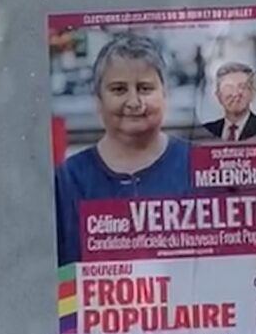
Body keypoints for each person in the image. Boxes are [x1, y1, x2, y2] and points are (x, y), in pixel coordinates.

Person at [54, 33, 194, 266]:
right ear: (98, 100)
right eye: (119, 89)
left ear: (165, 95)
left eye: (145, 88)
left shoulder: (199, 168)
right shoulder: (67, 180)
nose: (133, 102)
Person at [201, 62, 256, 146]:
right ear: (218, 96)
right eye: (229, 88)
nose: (235, 94)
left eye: (242, 87)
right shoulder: (209, 129)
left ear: (252, 94)